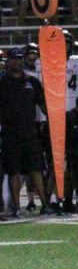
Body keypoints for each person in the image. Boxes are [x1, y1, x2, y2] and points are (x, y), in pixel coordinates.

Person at [0, 48, 49, 217]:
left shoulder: (32, 82)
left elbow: (42, 104)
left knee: (37, 168)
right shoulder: (2, 82)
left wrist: (53, 118)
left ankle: (44, 203)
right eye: (14, 59)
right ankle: (16, 206)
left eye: (19, 59)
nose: (17, 62)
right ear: (9, 61)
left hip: (30, 131)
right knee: (14, 171)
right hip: (10, 132)